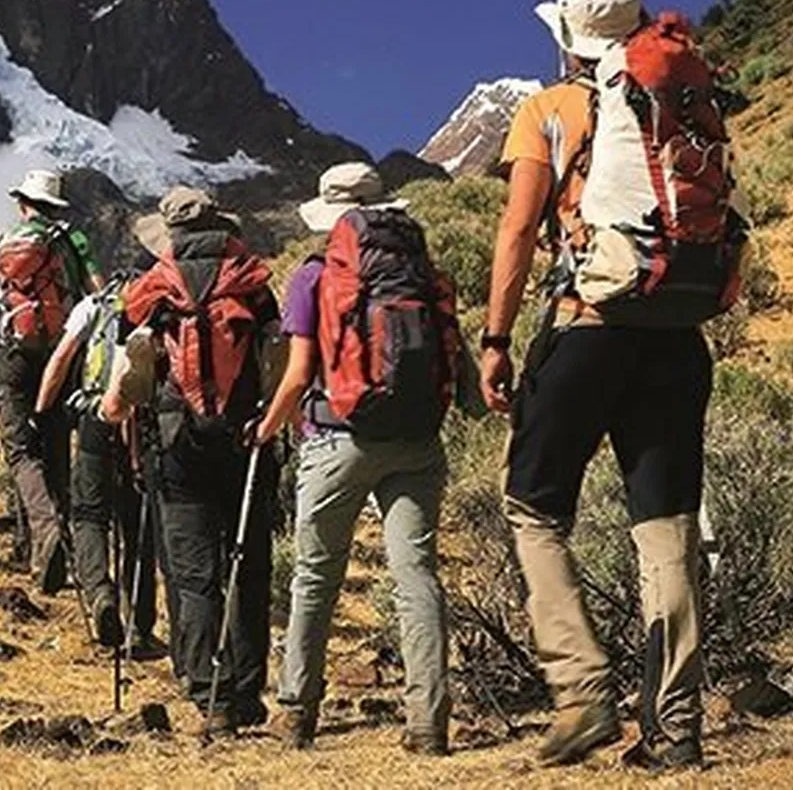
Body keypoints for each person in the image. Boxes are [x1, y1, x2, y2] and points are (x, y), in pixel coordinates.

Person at [484, 0, 715, 770]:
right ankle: (676, 727)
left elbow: (518, 231)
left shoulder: (550, 110)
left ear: (568, 41)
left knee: (533, 506)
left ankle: (582, 693)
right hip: (676, 335)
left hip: (588, 326)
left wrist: (495, 338)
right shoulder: (678, 101)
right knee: (667, 526)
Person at [255, 162, 484, 754]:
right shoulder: (423, 273)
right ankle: (428, 721)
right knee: (416, 574)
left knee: (315, 576)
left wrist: (267, 427)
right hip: (417, 440)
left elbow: (299, 373)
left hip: (338, 440)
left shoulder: (313, 277)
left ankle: (296, 711)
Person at [119, 187, 282, 736]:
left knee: (193, 572)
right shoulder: (251, 280)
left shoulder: (154, 286)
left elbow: (129, 359)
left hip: (175, 437)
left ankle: (208, 692)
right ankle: (247, 689)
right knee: (248, 561)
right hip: (245, 436)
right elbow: (276, 354)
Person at [0, 169, 103, 594]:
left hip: (12, 356)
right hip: (60, 354)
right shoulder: (72, 241)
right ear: (54, 207)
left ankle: (42, 538)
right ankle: (55, 546)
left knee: (20, 451)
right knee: (54, 445)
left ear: (22, 204)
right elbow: (99, 294)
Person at [34, 271, 162, 656]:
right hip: (142, 426)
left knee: (89, 513)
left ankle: (99, 594)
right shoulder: (161, 310)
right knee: (136, 522)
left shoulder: (93, 306)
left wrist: (42, 412)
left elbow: (61, 357)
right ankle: (139, 626)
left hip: (96, 415)